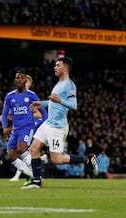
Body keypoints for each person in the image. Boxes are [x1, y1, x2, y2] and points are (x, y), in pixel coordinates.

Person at [22, 56, 98, 189]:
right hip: (48, 123)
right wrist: (41, 103)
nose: (55, 67)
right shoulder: (58, 84)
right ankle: (37, 182)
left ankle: (87, 158)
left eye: (58, 65)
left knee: (56, 160)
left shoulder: (70, 85)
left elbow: (74, 105)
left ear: (65, 68)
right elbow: (53, 103)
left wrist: (60, 101)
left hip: (58, 127)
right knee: (34, 149)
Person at [0, 74, 47, 182]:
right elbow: (7, 115)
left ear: (28, 83)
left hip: (32, 126)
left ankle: (36, 173)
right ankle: (34, 173)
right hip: (16, 128)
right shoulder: (12, 97)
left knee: (22, 149)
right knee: (12, 155)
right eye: (18, 79)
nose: (21, 82)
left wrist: (28, 116)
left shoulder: (31, 97)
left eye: (25, 80)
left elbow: (40, 114)